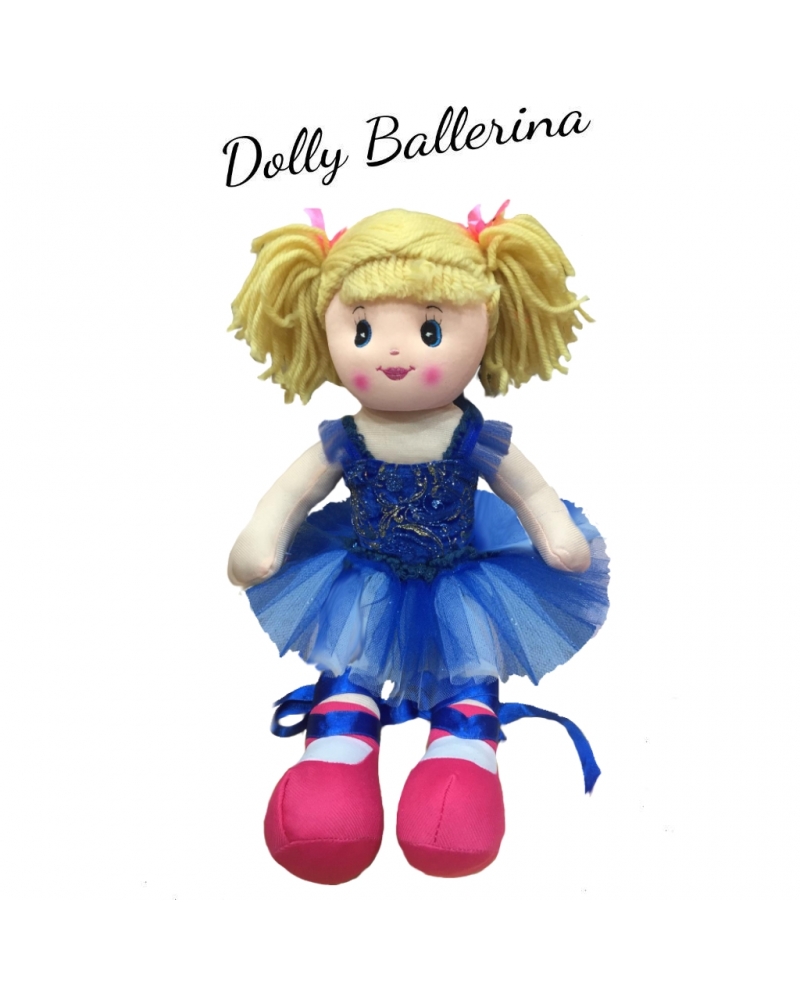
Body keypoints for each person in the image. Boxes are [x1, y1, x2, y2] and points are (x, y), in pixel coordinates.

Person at [227, 203, 609, 884]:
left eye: (430, 330)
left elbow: (530, 493)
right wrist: (263, 538)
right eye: (364, 329)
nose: (394, 352)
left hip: (463, 576)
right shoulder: (347, 439)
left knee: (470, 665)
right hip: (364, 575)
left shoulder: (473, 437)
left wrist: (556, 535)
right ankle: (338, 750)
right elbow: (289, 498)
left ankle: (462, 753)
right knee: (350, 664)